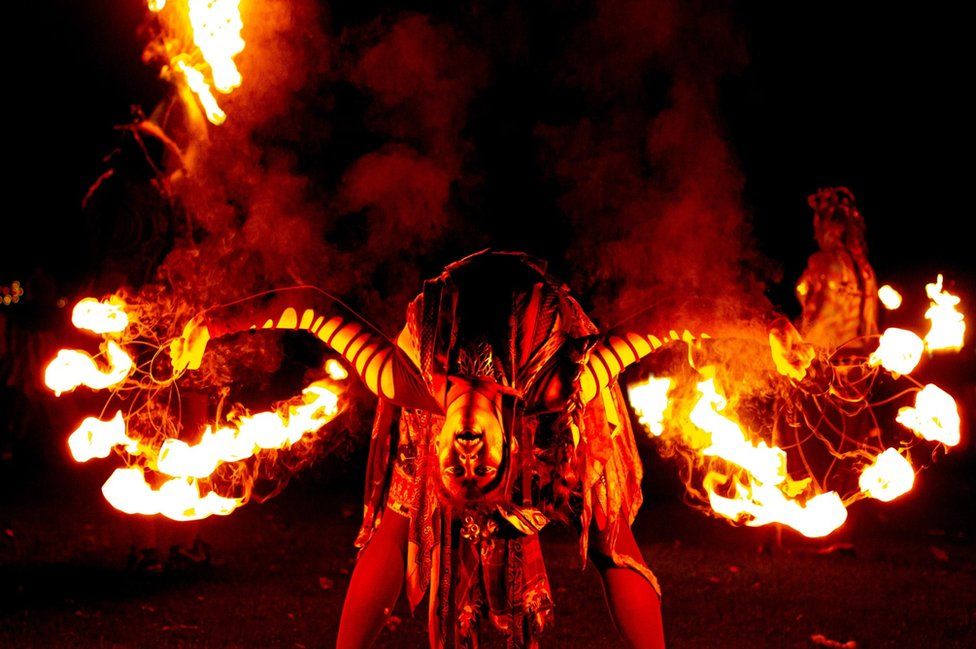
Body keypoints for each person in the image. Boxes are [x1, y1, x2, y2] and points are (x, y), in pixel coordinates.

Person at [173, 250, 668, 648]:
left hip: (439, 343)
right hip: (547, 326)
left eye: (457, 469)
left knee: (398, 519)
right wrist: (740, 322)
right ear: (510, 448)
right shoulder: (561, 385)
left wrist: (215, 324)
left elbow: (311, 308)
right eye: (484, 468)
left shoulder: (402, 380)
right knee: (609, 531)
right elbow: (663, 324)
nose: (469, 453)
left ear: (437, 450)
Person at [795, 187, 878, 351]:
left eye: (818, 226)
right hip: (857, 364)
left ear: (830, 227)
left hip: (825, 361)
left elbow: (816, 315)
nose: (816, 234)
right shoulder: (866, 270)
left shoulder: (823, 262)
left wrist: (797, 348)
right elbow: (871, 327)